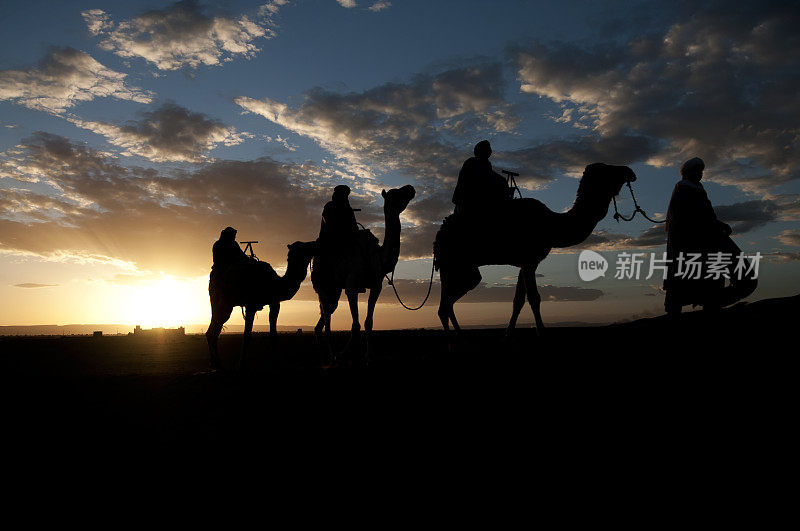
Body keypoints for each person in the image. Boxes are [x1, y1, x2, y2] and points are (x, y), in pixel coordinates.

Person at [664, 157, 756, 314]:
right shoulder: (686, 190)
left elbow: (702, 217)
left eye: (700, 171)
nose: (700, 174)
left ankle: (711, 302)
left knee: (688, 282)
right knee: (738, 278)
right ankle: (713, 303)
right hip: (700, 245)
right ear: (688, 173)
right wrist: (717, 226)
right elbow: (699, 218)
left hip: (701, 244)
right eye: (697, 171)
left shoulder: (689, 189)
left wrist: (718, 225)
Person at [452, 140, 512, 218]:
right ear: (480, 151)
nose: (490, 151)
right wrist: (501, 181)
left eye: (489, 149)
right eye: (487, 149)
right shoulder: (472, 162)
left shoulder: (486, 164)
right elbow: (484, 177)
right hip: (468, 202)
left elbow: (490, 175)